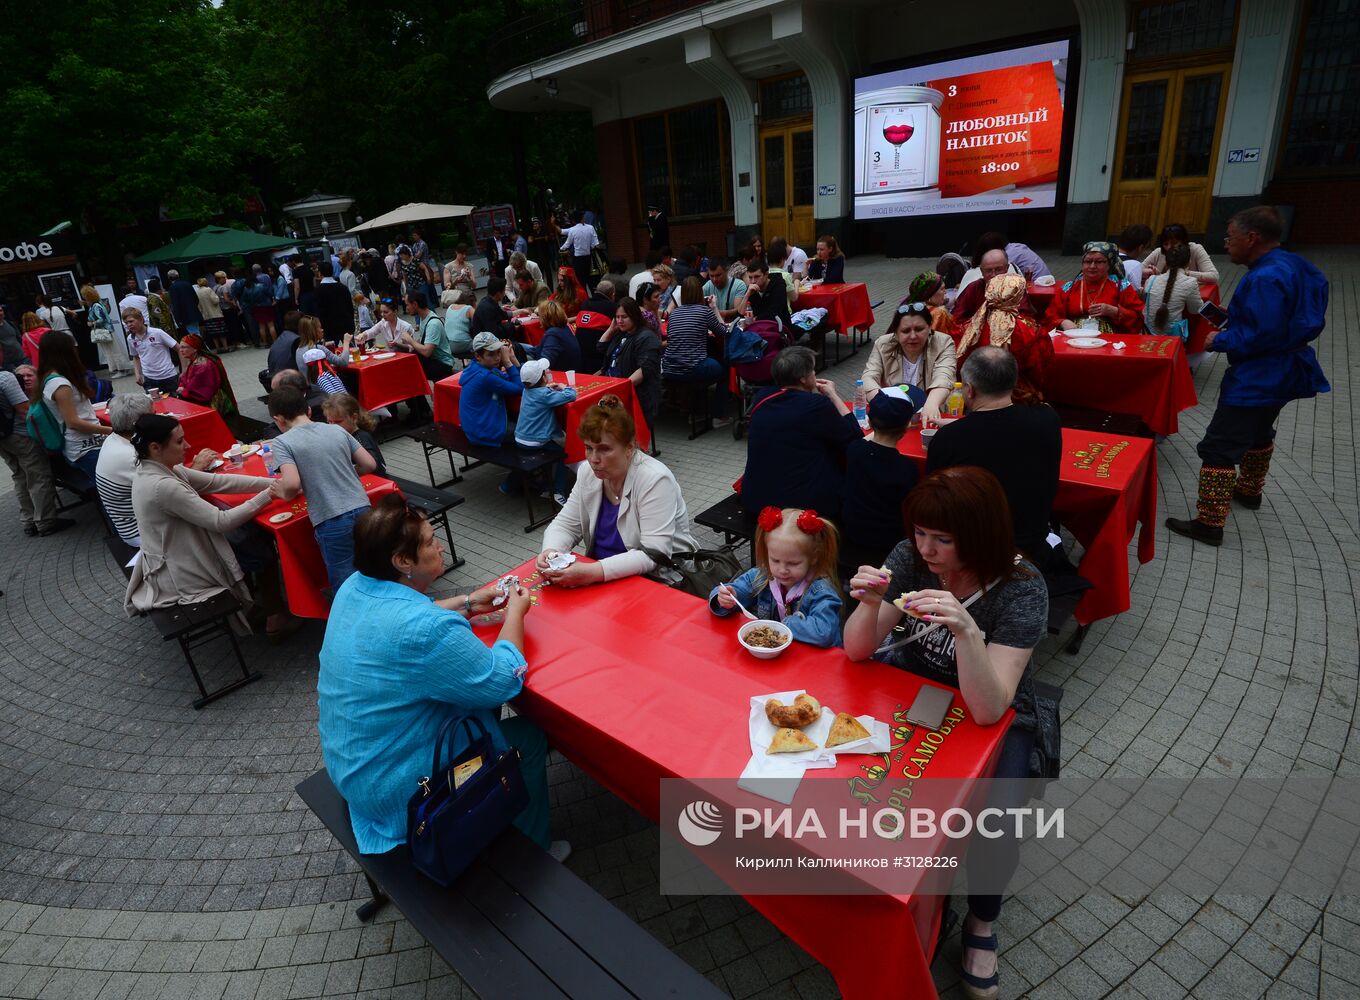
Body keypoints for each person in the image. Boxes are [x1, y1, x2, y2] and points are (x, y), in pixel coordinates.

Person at [844, 466, 1049, 1000]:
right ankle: (897, 900)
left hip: (994, 715)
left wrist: (965, 630)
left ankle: (981, 922)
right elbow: (856, 651)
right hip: (913, 699)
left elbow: (990, 708)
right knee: (863, 787)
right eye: (920, 532)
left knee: (997, 817)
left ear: (979, 537)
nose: (926, 549)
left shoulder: (1022, 590)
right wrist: (869, 603)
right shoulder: (909, 557)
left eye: (943, 539)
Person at [317, 494, 563, 859]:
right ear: (403, 561)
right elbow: (501, 682)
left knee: (472, 706)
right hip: (400, 792)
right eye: (431, 542)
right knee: (526, 737)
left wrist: (467, 603)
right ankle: (534, 858)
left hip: (354, 766)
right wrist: (516, 612)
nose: (440, 546)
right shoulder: (422, 630)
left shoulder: (354, 586)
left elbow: (404, 614)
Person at [1166, 205, 1330, 546]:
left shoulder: (1265, 277)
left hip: (1258, 374)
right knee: (1259, 431)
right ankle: (1249, 491)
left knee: (1220, 446)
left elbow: (1262, 334)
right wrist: (1238, 318)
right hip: (1286, 368)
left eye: (1231, 237)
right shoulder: (1296, 264)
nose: (1227, 244)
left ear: (1252, 237)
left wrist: (1219, 339)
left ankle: (1209, 522)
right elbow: (1291, 316)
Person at [123, 413, 294, 638]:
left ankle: (261, 605)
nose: (188, 445)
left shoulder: (156, 468)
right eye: (179, 441)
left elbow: (218, 481)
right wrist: (269, 494)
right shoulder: (162, 486)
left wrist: (278, 483)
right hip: (185, 569)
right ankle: (274, 615)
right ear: (155, 447)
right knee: (254, 544)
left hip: (179, 554)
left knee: (249, 537)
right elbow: (220, 522)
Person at [536, 395, 697, 585]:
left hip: (658, 580)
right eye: (588, 448)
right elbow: (566, 525)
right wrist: (551, 552)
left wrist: (592, 572)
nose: (593, 459)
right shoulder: (588, 472)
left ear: (629, 448)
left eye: (604, 449)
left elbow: (654, 555)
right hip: (603, 575)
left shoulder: (654, 479)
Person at [927, 348, 1063, 568]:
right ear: (1013, 381)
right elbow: (1002, 433)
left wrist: (958, 428)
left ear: (969, 390)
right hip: (1032, 542)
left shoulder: (950, 439)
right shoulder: (1047, 419)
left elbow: (934, 500)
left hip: (974, 550)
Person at [268, 386, 378, 591]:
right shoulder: (336, 429)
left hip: (331, 518)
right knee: (374, 568)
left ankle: (352, 619)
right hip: (363, 508)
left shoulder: (282, 442)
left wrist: (281, 492)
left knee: (346, 581)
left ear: (279, 419)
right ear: (309, 410)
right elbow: (370, 464)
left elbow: (292, 484)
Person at [739, 346, 859, 518]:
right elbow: (853, 439)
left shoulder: (762, 399)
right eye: (813, 371)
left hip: (756, 498)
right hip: (800, 507)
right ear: (803, 378)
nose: (814, 375)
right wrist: (833, 395)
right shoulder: (816, 405)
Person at [711, 506, 844, 647]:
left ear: (814, 557)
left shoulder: (821, 591)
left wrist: (785, 623)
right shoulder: (761, 576)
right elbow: (730, 591)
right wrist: (727, 598)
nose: (782, 570)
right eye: (775, 560)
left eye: (793, 563)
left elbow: (824, 632)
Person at [839, 389, 921, 578]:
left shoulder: (855, 450)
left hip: (854, 534)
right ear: (907, 426)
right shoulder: (906, 468)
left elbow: (861, 440)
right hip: (889, 542)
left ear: (869, 419)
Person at [958, 274, 1053, 405]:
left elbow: (960, 361)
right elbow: (1040, 369)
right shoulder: (1030, 329)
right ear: (1018, 295)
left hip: (979, 397)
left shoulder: (972, 327)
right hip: (1020, 401)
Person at [0, 365, 70, 536]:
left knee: (20, 476)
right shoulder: (5, 378)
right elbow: (26, 411)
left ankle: (29, 520)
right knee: (38, 475)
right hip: (21, 436)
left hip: (3, 440)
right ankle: (45, 522)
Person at [862, 300, 956, 424]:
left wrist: (932, 403)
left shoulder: (944, 342)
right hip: (891, 418)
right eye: (905, 331)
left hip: (929, 417)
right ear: (895, 333)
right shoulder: (882, 344)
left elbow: (944, 376)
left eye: (919, 329)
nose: (913, 336)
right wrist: (884, 404)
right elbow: (868, 378)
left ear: (929, 328)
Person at [662, 276, 730, 423]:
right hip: (691, 368)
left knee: (701, 363)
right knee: (725, 371)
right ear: (700, 293)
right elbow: (723, 332)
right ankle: (718, 416)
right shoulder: (704, 311)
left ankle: (696, 411)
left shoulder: (674, 314)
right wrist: (714, 308)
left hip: (670, 368)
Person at [95, 393, 158, 546]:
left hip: (130, 525)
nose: (160, 418)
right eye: (155, 415)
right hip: (142, 534)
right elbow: (174, 490)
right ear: (140, 423)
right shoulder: (132, 455)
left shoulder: (114, 439)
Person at [1047, 241, 1145, 337]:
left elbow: (1139, 317)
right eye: (1088, 262)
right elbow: (1050, 316)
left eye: (1099, 262)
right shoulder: (1069, 288)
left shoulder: (1121, 286)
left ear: (1109, 265)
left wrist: (1114, 312)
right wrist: (1063, 322)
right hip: (1073, 338)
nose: (1092, 266)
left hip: (1111, 340)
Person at [599, 297, 661, 437]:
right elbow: (601, 347)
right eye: (617, 317)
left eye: (624, 317)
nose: (620, 321)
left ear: (634, 316)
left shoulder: (646, 337)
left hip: (634, 393)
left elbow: (645, 369)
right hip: (613, 387)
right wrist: (611, 328)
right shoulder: (621, 333)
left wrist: (620, 388)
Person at [459, 332, 522, 448]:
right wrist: (508, 362)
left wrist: (513, 358)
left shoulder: (478, 367)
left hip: (478, 427)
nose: (498, 358)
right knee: (534, 430)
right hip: (485, 432)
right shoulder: (485, 376)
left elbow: (517, 381)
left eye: (499, 352)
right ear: (478, 356)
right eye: (491, 354)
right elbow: (519, 388)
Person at [950, 249, 1037, 326]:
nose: (994, 275)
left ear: (1006, 268)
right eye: (988, 271)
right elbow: (957, 318)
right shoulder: (974, 288)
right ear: (982, 272)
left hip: (1010, 333)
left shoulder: (1016, 288)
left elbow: (1026, 318)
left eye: (998, 269)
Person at [175, 333, 240, 424]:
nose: (181, 350)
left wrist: (183, 391)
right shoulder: (195, 360)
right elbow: (186, 379)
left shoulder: (202, 366)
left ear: (195, 348)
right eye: (180, 347)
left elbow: (201, 391)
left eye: (184, 347)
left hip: (212, 404)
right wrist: (182, 386)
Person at [1143, 242, 1203, 339]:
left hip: (1147, 334)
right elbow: (1195, 310)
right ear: (1189, 262)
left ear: (1166, 262)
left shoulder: (1151, 280)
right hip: (1173, 339)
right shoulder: (1190, 282)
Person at [121, 308, 180, 398]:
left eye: (131, 321)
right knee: (156, 406)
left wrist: (185, 369)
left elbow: (179, 348)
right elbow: (136, 357)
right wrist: (138, 374)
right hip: (149, 379)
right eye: (126, 323)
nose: (129, 325)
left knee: (176, 404)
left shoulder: (157, 333)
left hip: (168, 376)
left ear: (141, 319)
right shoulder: (130, 338)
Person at [323, 393, 386, 476]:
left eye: (338, 422)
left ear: (354, 418)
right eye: (329, 422)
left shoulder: (362, 437)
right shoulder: (344, 435)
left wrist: (344, 471)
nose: (332, 426)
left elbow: (371, 466)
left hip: (374, 483)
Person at [1142, 223, 1219, 287]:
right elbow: (1138, 270)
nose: (1169, 248)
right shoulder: (1159, 252)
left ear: (1184, 242)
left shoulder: (1195, 249)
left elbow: (1214, 276)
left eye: (1174, 243)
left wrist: (1185, 273)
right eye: (1165, 244)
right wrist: (1150, 272)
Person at [82, 284, 133, 376]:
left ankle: (122, 370)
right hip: (106, 331)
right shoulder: (96, 305)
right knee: (113, 350)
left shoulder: (96, 306)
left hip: (105, 331)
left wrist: (92, 323)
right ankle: (122, 369)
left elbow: (103, 318)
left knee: (113, 350)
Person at [745, 257, 792, 332]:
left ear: (766, 274)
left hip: (778, 329)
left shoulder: (778, 285)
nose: (753, 281)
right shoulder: (751, 289)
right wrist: (747, 295)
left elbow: (774, 312)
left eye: (757, 276)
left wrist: (754, 319)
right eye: (750, 277)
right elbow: (740, 313)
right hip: (757, 330)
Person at [559, 211, 601, 293]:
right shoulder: (590, 228)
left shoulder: (573, 230)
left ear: (573, 221)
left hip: (578, 259)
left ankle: (584, 298)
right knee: (592, 280)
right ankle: (594, 297)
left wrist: (560, 249)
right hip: (590, 258)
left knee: (581, 282)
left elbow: (567, 244)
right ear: (582, 218)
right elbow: (595, 244)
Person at [533, 300, 581, 372]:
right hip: (572, 370)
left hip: (561, 376)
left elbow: (545, 362)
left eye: (539, 315)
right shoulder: (565, 328)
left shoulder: (553, 334)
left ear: (545, 317)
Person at [314, 261, 356, 339]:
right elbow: (350, 307)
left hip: (328, 327)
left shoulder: (318, 290)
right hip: (345, 324)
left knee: (331, 349)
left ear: (320, 273)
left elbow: (318, 311)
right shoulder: (343, 287)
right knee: (350, 348)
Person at [906, 271, 955, 336]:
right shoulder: (938, 313)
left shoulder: (908, 309)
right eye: (942, 289)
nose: (945, 292)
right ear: (930, 294)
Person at [703, 258, 748, 322]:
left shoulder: (739, 285)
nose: (714, 279)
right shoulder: (708, 285)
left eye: (718, 275)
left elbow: (738, 311)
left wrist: (716, 312)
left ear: (726, 271)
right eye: (711, 276)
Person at [472, 277, 516, 341]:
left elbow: (503, 315)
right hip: (485, 343)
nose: (504, 294)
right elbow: (494, 333)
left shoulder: (488, 301)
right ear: (498, 293)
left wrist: (521, 311)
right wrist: (512, 327)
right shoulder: (488, 308)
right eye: (504, 291)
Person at [194, 276, 228, 353]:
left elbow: (198, 306)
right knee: (221, 332)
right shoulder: (208, 290)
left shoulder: (197, 292)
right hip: (215, 314)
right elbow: (215, 300)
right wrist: (218, 297)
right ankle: (225, 347)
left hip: (206, 316)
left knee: (213, 333)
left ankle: (218, 348)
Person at [267, 310, 304, 376]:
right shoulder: (296, 340)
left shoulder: (282, 336)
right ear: (299, 324)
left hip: (274, 376)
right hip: (288, 379)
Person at [439, 290, 476, 357]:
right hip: (461, 344)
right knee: (485, 343)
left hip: (448, 344)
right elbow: (478, 324)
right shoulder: (469, 309)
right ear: (472, 302)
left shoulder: (450, 306)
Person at [1117, 224, 1153, 289]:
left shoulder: (1105, 257)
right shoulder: (1134, 265)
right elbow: (1134, 294)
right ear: (1140, 248)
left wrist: (1141, 272)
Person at [168, 270, 201, 336]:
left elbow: (176, 304)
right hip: (194, 312)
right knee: (196, 333)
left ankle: (201, 346)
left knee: (194, 336)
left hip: (185, 316)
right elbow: (196, 299)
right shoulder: (187, 283)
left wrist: (177, 318)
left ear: (169, 278)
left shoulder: (173, 288)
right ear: (178, 276)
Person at [0, 305, 24, 371]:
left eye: (1, 310)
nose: (0, 313)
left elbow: (19, 338)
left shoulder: (10, 323)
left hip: (22, 357)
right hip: (8, 363)